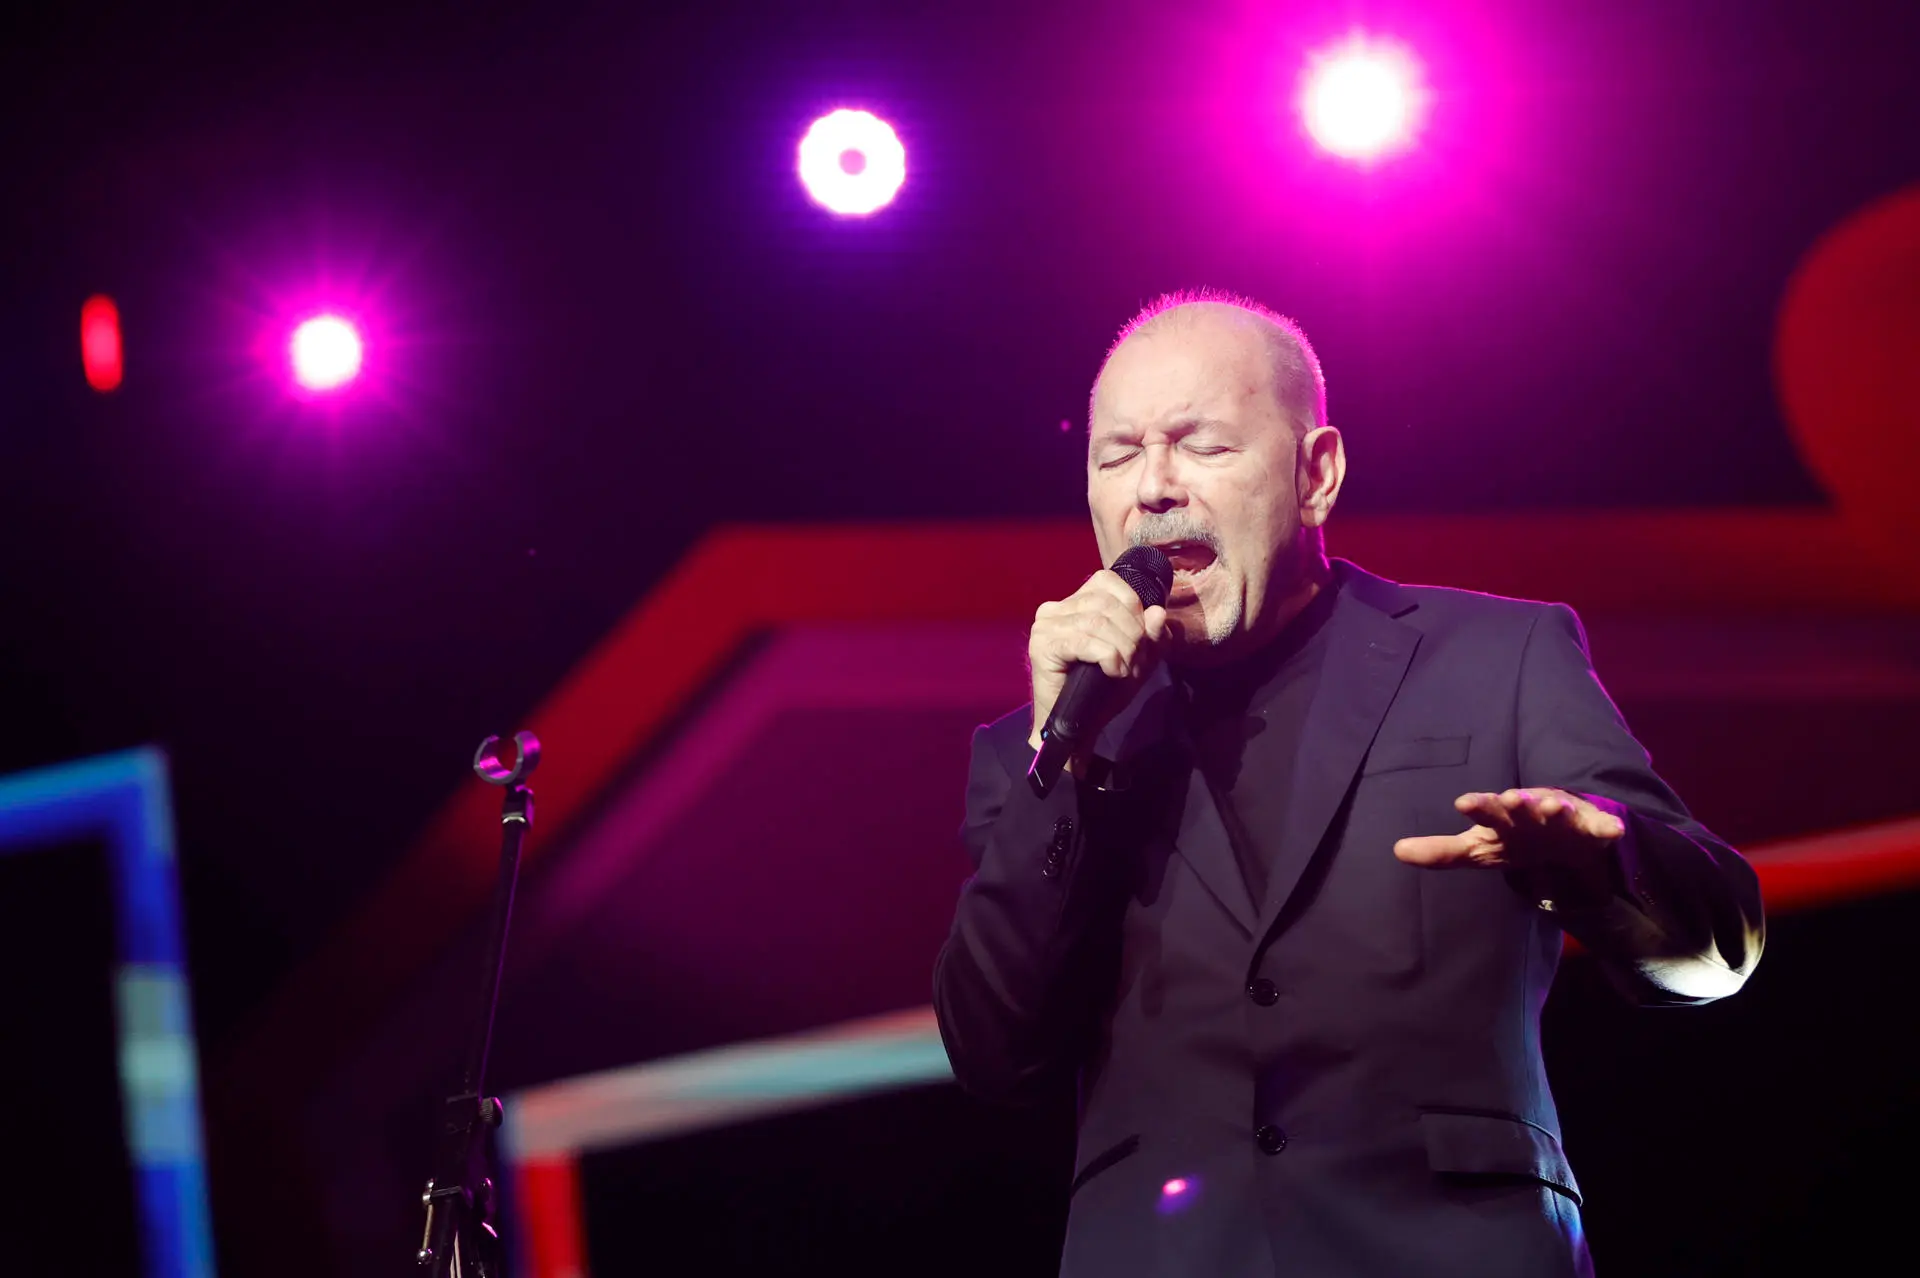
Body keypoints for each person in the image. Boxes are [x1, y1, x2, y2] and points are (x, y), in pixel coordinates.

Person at [931, 290, 1764, 1278]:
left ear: (1316, 473)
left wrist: (1601, 865)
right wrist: (1065, 760)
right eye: (1117, 458)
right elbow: (995, 1054)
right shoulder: (1033, 754)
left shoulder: (1498, 659)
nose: (1152, 488)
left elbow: (1719, 950)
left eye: (1202, 445)